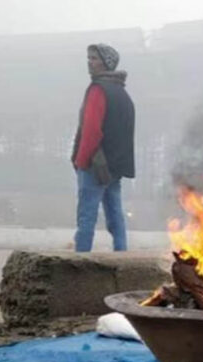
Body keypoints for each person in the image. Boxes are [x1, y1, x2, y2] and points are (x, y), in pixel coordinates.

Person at [71, 43, 135, 252]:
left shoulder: (98, 90)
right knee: (115, 214)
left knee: (86, 216)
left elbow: (91, 130)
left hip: (95, 164)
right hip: (115, 166)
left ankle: (81, 259)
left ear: (106, 63)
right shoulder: (123, 93)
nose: (89, 62)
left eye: (94, 58)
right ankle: (121, 255)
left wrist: (81, 161)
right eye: (89, 58)